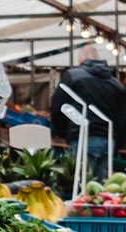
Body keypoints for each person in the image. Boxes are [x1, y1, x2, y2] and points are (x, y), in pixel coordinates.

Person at [51, 45, 126, 181]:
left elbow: (58, 106)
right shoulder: (116, 84)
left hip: (83, 137)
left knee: (77, 185)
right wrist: (118, 142)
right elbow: (122, 118)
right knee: (96, 190)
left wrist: (63, 133)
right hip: (108, 141)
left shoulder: (73, 76)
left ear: (80, 59)